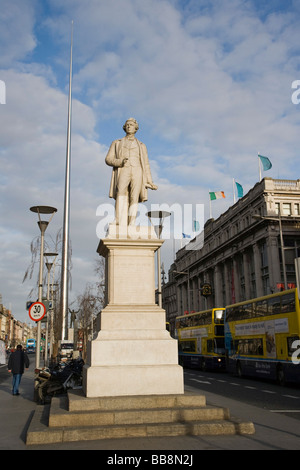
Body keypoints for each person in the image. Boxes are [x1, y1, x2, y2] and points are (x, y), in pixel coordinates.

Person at [105, 118, 157, 226]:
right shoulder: (116, 143)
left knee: (135, 197)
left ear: (136, 128)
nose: (129, 126)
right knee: (120, 193)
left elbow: (146, 164)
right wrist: (119, 162)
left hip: (137, 171)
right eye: (127, 125)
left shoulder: (142, 145)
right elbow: (108, 159)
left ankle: (132, 222)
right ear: (124, 127)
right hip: (124, 169)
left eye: (131, 125)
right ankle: (118, 219)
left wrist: (150, 181)